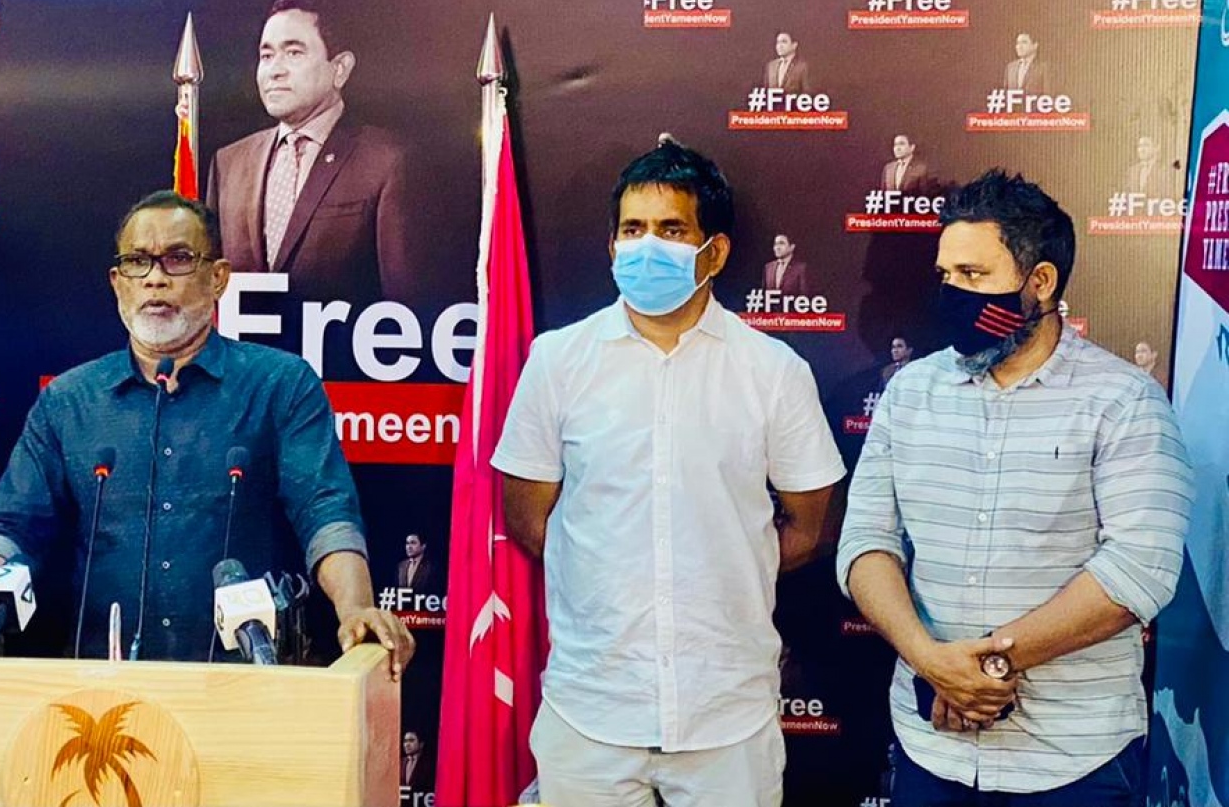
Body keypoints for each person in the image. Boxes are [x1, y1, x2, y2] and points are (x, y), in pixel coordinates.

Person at [0, 191, 415, 675]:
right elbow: (12, 526)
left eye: (178, 259)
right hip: (99, 690)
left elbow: (325, 511)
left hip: (250, 685)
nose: (155, 278)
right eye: (137, 261)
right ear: (118, 283)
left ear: (218, 278)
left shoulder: (280, 385)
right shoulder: (69, 400)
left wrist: (355, 606)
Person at [495, 142, 845, 806]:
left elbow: (811, 522)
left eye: (671, 229)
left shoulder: (772, 371)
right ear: (611, 246)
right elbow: (528, 517)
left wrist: (721, 567)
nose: (646, 247)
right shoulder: (557, 361)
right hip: (590, 710)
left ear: (715, 252)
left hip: (727, 716)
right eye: (632, 229)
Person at [837, 170, 1193, 805]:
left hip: (1073, 759)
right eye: (946, 275)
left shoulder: (1125, 401)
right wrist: (930, 660)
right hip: (930, 748)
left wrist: (989, 666)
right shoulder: (910, 392)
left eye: (974, 276)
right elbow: (866, 542)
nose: (952, 293)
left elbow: (1140, 569)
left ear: (1041, 282)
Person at [205, 0, 420, 306]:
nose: (275, 70)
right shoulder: (229, 163)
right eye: (267, 55)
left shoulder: (386, 162)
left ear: (340, 69)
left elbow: (405, 306)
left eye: (293, 53)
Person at [762, 232, 810, 296]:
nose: (777, 247)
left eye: (781, 243)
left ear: (792, 247)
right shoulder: (768, 267)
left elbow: (805, 295)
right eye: (775, 244)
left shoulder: (801, 269)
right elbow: (764, 294)